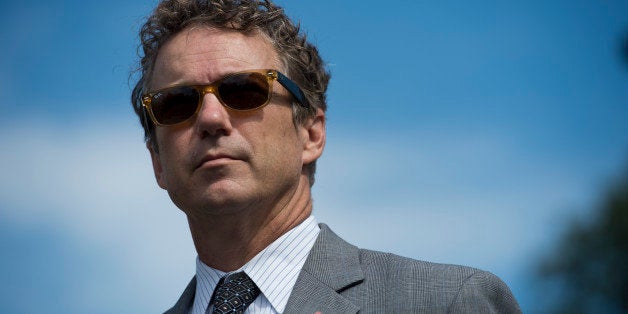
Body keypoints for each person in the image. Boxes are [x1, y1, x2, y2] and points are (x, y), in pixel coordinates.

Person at [131, 0, 522, 313]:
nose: (211, 118)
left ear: (311, 134)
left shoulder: (447, 302)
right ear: (158, 162)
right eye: (178, 103)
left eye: (244, 91)